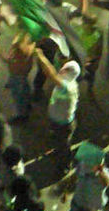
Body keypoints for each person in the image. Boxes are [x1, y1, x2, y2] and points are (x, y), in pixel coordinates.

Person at [34, 48, 80, 179]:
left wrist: (41, 56)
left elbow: (51, 74)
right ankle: (58, 152)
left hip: (63, 124)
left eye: (65, 69)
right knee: (59, 142)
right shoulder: (67, 81)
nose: (62, 69)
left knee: (64, 146)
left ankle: (64, 166)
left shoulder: (68, 87)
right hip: (58, 120)